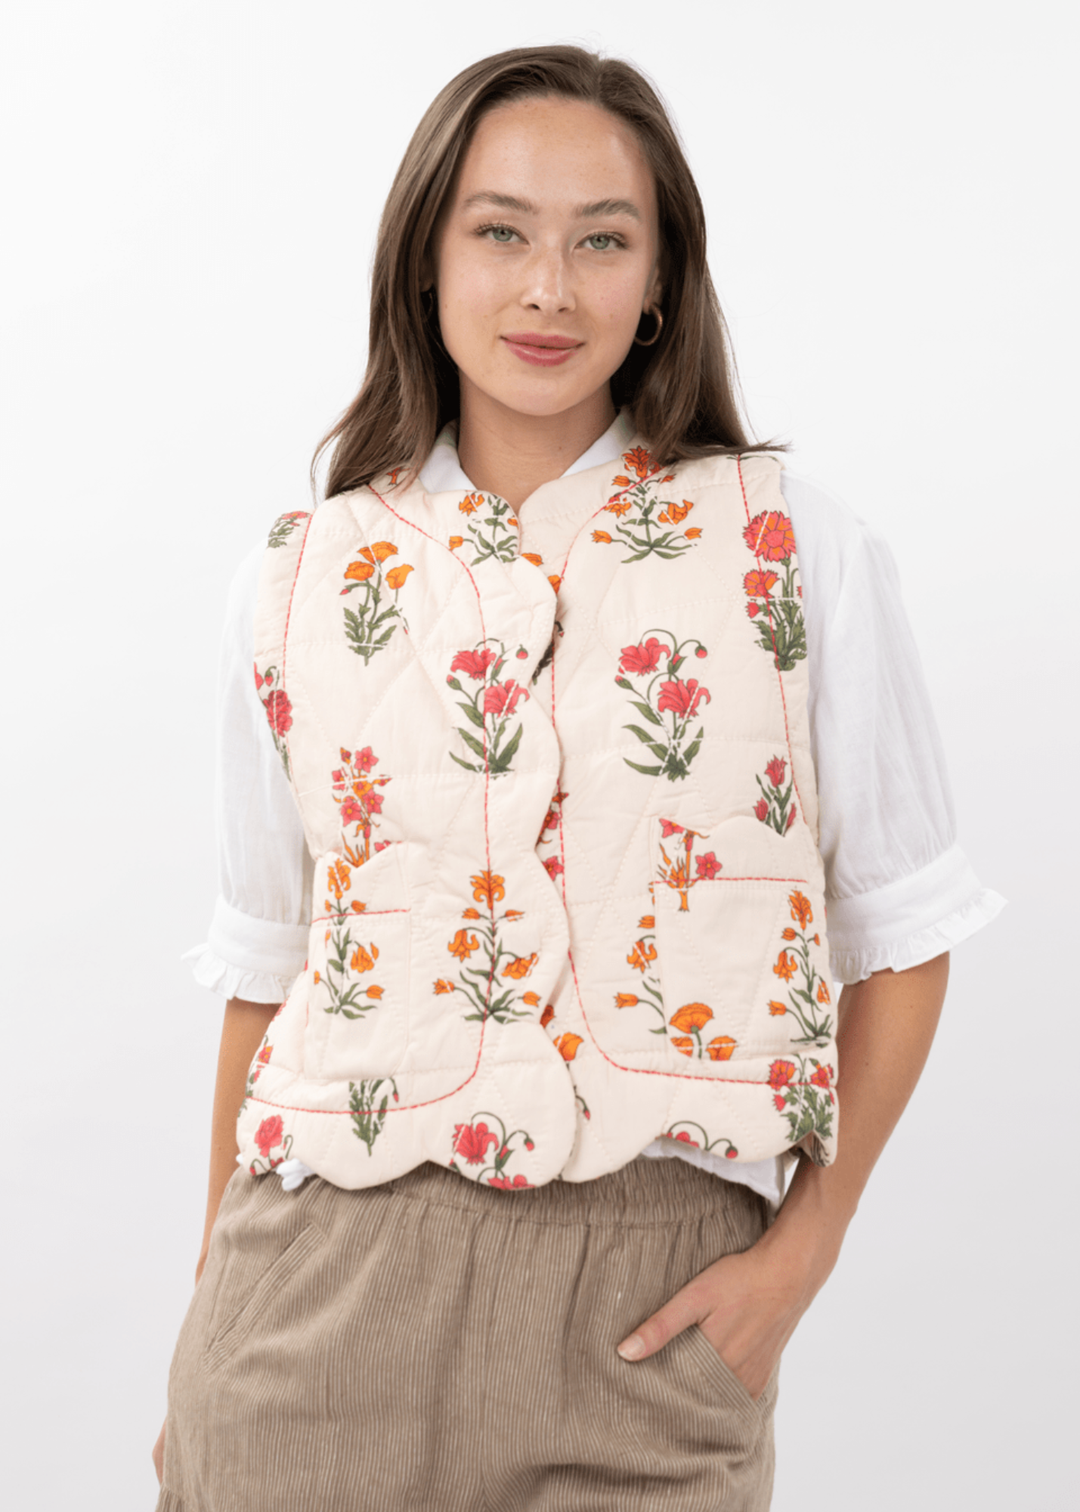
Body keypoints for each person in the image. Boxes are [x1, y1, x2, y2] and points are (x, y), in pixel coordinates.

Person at [152, 44, 1002, 1512]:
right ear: (424, 259)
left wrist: (809, 1245)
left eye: (602, 238)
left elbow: (902, 936)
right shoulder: (295, 581)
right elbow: (266, 970)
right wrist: (199, 1318)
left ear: (663, 277)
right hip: (310, 1303)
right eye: (500, 231)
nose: (548, 288)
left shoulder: (794, 551)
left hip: (651, 1312)